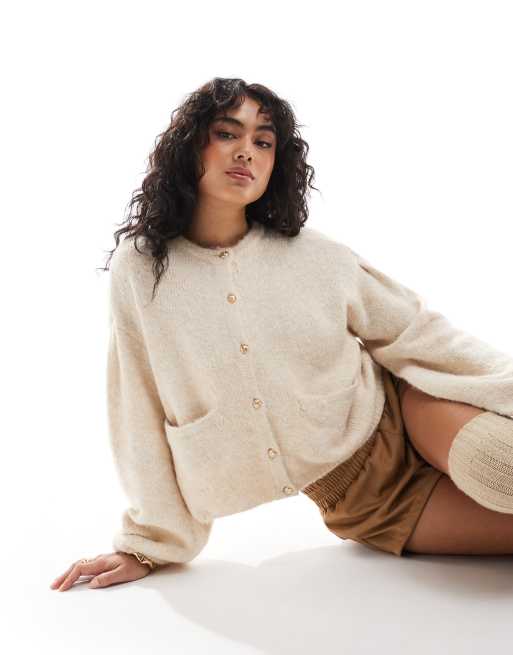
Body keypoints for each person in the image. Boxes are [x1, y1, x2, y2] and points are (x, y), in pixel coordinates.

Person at [51, 77, 513, 592]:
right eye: (228, 133)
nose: (246, 151)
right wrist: (148, 544)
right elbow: (136, 401)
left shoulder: (314, 256)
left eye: (264, 141)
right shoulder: (141, 270)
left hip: (405, 415)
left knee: (501, 468)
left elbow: (415, 332)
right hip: (369, 502)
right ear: (190, 144)